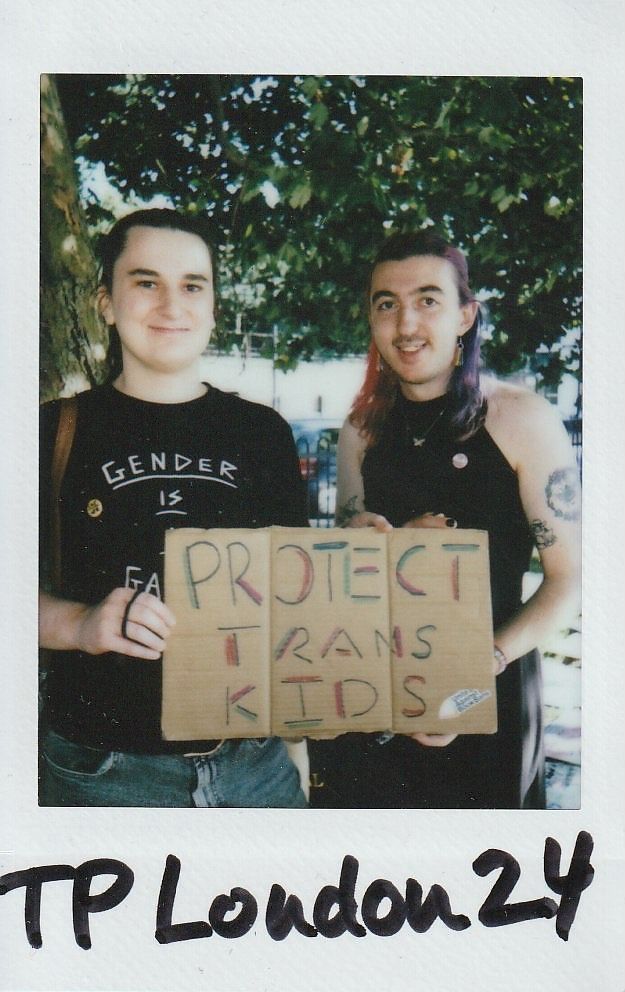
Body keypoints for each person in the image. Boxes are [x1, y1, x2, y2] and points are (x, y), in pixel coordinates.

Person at [39, 208, 309, 808]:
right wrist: (81, 626)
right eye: (145, 282)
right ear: (106, 302)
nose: (172, 304)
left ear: (213, 306)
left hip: (257, 769)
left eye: (192, 285)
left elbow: (301, 599)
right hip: (104, 775)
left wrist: (368, 559)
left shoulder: (263, 434)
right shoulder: (52, 434)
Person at [309, 230, 580, 809]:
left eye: (428, 300)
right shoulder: (361, 430)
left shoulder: (520, 419)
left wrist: (482, 666)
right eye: (388, 304)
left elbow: (570, 579)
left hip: (488, 697)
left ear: (465, 316)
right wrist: (362, 546)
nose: (406, 324)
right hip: (377, 699)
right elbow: (349, 574)